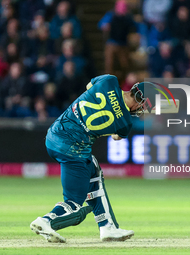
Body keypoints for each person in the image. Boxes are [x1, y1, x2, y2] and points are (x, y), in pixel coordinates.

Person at [30, 74, 153, 242]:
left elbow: (89, 86)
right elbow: (117, 136)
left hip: (54, 135)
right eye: (144, 106)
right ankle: (46, 221)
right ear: (140, 101)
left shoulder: (109, 80)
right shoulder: (125, 124)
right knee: (74, 203)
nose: (142, 110)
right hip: (72, 149)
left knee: (93, 169)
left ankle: (107, 227)